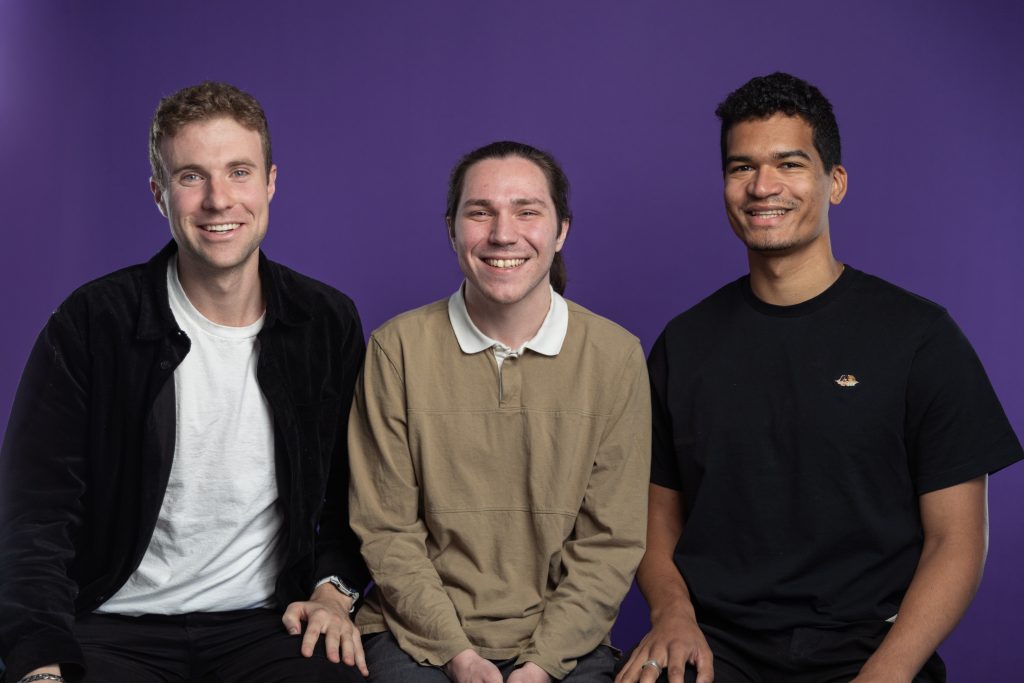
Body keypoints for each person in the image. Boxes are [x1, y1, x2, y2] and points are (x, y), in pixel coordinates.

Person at [616, 72, 1024, 683]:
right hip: (714, 645)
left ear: (835, 183)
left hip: (871, 649)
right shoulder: (685, 343)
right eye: (740, 167)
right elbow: (654, 520)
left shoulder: (920, 337)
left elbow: (956, 543)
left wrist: (886, 674)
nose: (762, 187)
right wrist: (672, 615)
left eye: (789, 163)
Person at [0, 81, 369, 683]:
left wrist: (332, 594)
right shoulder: (93, 323)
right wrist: (38, 657)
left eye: (239, 172)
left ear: (270, 182)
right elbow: (35, 514)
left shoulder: (324, 322)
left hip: (269, 623)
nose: (219, 200)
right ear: (159, 194)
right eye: (192, 176)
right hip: (109, 623)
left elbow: (354, 496)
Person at [348, 140, 651, 682]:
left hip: (563, 646)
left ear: (561, 231)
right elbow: (386, 529)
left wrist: (540, 665)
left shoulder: (616, 357)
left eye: (527, 211)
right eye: (480, 212)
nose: (502, 234)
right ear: (451, 229)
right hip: (417, 638)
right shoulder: (396, 350)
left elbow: (610, 543)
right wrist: (459, 656)